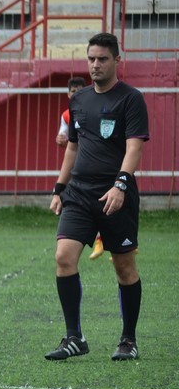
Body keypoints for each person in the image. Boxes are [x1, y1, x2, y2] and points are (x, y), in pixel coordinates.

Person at [46, 33, 148, 362]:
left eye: (102, 59)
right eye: (91, 58)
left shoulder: (131, 99)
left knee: (124, 267)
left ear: (117, 60)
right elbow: (72, 148)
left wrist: (120, 185)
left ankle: (128, 340)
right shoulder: (79, 100)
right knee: (64, 257)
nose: (95, 64)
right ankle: (74, 337)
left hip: (115, 194)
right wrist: (60, 188)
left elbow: (134, 147)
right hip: (79, 193)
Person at [56, 76, 106, 261]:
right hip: (75, 168)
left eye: (79, 91)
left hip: (96, 169)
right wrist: (60, 139)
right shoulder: (67, 115)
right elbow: (66, 139)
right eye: (72, 92)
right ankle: (86, 237)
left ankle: (110, 240)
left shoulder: (94, 109)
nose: (75, 95)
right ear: (68, 94)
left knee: (101, 203)